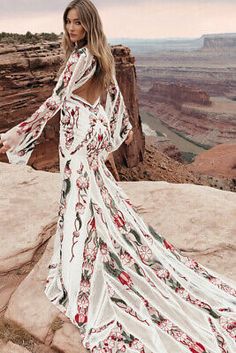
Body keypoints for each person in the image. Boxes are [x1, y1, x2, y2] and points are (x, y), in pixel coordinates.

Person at [0, 1, 235, 352]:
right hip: (90, 128)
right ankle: (94, 241)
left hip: (78, 132)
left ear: (90, 24)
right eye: (68, 22)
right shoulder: (101, 56)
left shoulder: (80, 59)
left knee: (80, 193)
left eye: (78, 22)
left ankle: (87, 258)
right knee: (91, 191)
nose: (71, 28)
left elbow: (54, 101)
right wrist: (116, 134)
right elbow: (116, 102)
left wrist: (15, 135)